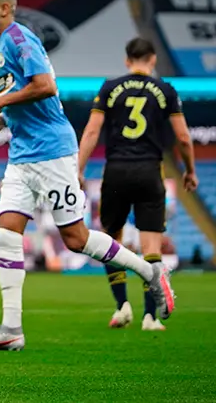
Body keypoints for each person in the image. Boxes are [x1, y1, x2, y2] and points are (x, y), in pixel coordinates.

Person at [0, 0, 175, 352]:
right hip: (21, 154)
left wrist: (1, 103)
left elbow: (46, 86)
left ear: (5, 8)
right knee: (6, 235)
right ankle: (12, 329)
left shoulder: (20, 39)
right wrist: (2, 119)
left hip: (52, 152)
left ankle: (150, 272)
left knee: (75, 238)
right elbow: (20, 100)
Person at [76, 37, 196, 331]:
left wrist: (78, 169)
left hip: (116, 170)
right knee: (150, 245)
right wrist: (190, 170)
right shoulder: (166, 90)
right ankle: (150, 316)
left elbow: (92, 130)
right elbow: (182, 137)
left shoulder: (109, 87)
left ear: (127, 60)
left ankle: (122, 307)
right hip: (149, 172)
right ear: (153, 59)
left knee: (111, 239)